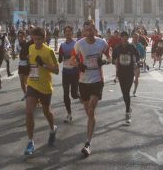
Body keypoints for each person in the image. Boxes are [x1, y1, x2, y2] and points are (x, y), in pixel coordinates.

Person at [74, 20, 111, 157]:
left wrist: (105, 61)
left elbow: (109, 57)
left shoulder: (102, 43)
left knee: (91, 108)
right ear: (84, 31)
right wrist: (79, 65)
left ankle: (88, 143)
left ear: (95, 30)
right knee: (89, 113)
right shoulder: (79, 44)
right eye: (87, 30)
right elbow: (73, 58)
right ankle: (92, 122)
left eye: (91, 30)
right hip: (83, 81)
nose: (89, 32)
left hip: (97, 80)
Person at [24, 27, 59, 155]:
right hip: (32, 84)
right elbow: (31, 62)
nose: (37, 42)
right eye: (34, 39)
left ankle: (52, 128)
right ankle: (30, 142)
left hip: (45, 87)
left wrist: (43, 64)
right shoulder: (31, 48)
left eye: (39, 39)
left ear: (44, 39)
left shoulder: (49, 52)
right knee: (28, 112)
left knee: (46, 112)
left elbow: (56, 70)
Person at [112, 31, 139, 125]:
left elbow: (137, 56)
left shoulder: (132, 47)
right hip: (121, 73)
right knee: (124, 93)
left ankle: (127, 113)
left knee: (127, 92)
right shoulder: (117, 48)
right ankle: (128, 106)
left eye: (126, 37)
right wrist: (115, 61)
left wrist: (136, 62)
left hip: (130, 73)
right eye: (122, 37)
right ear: (120, 37)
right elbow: (113, 58)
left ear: (128, 38)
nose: (124, 38)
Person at [58, 26, 79, 123]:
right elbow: (60, 59)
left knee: (74, 95)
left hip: (74, 72)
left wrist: (73, 58)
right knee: (65, 94)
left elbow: (79, 58)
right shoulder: (62, 45)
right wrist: (61, 56)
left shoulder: (76, 44)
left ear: (72, 33)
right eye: (66, 32)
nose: (67, 33)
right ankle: (69, 114)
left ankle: (81, 97)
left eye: (69, 32)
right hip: (65, 72)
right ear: (64, 33)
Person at [16, 29, 31, 101]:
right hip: (20, 65)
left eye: (21, 36)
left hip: (27, 65)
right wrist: (13, 54)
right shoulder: (17, 45)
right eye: (19, 36)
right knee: (22, 82)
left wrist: (28, 56)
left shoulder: (28, 44)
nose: (20, 38)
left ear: (25, 36)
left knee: (26, 81)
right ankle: (26, 94)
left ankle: (31, 95)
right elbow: (16, 54)